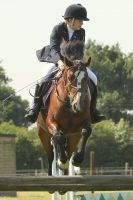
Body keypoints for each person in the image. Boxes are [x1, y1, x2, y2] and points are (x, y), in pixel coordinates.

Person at [25, 3, 105, 123]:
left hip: (73, 63)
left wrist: (77, 63)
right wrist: (60, 62)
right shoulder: (58, 29)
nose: (82, 23)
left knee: (93, 77)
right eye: (80, 20)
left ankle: (93, 111)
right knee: (44, 75)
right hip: (55, 59)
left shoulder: (81, 32)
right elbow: (53, 48)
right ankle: (34, 108)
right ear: (71, 20)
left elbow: (79, 51)